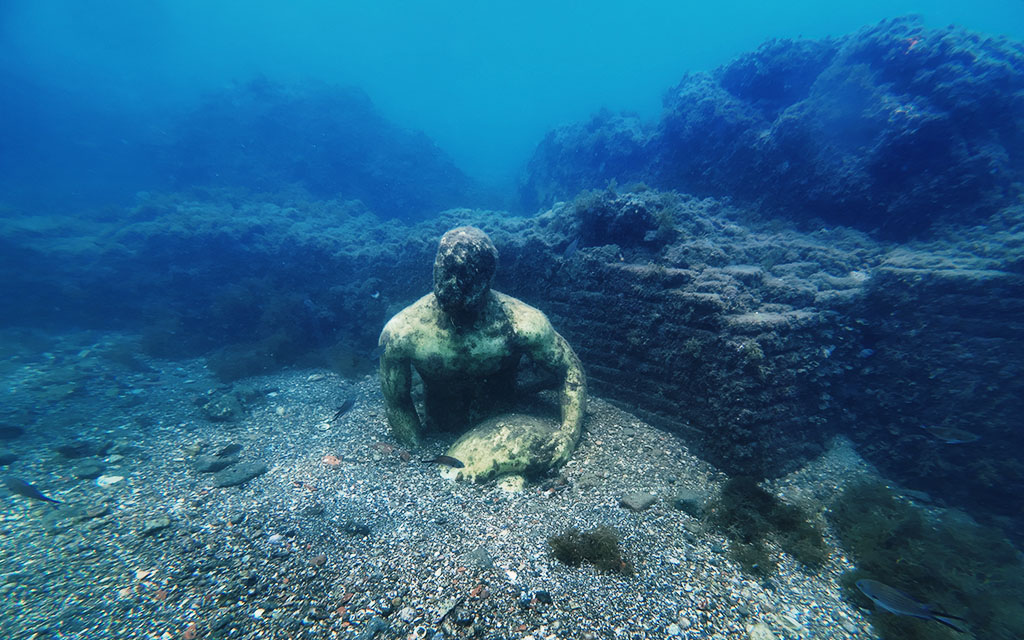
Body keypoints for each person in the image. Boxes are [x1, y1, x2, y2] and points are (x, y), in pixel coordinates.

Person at [378, 226, 586, 483]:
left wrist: (568, 434)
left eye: (463, 274)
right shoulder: (403, 332)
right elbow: (397, 401)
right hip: (441, 431)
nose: (451, 284)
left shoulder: (522, 323)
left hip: (508, 436)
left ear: (487, 276)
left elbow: (569, 369)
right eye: (444, 271)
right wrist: (415, 451)